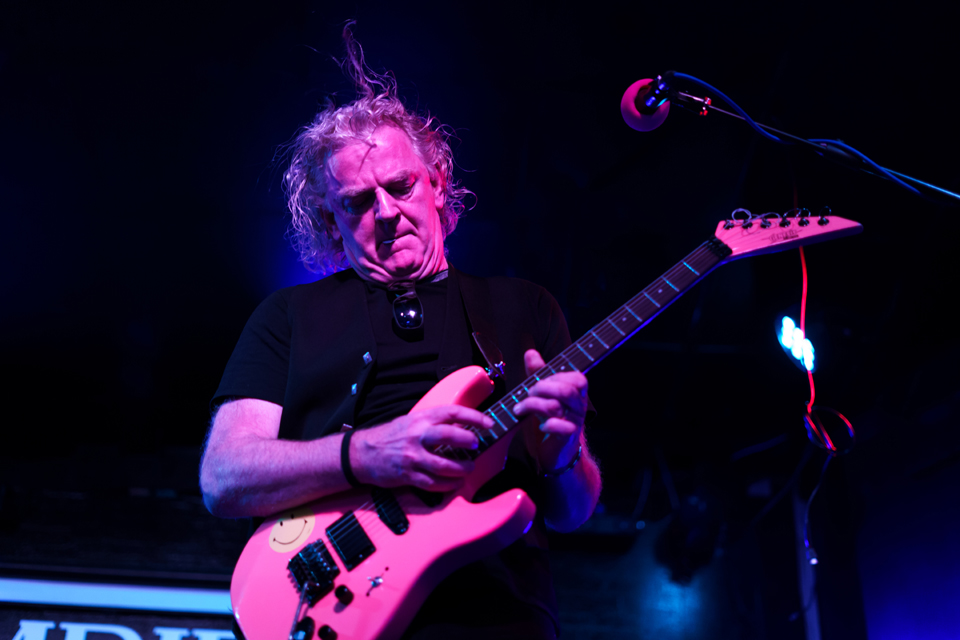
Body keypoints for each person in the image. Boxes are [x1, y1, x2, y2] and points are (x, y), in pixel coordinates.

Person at [200, 26, 601, 639]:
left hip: (497, 618)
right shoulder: (288, 315)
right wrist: (368, 452)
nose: (385, 212)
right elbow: (224, 477)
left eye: (401, 185)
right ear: (330, 220)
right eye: (357, 202)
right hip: (336, 607)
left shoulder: (524, 308)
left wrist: (563, 451)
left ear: (438, 183)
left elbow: (573, 515)